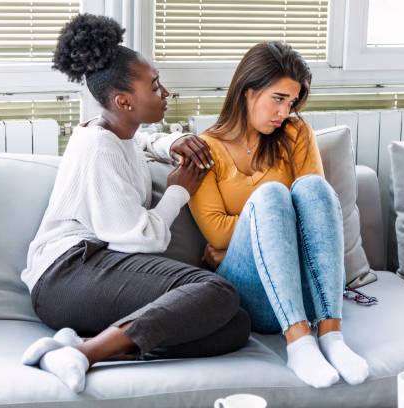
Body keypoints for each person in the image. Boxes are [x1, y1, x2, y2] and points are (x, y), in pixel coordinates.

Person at [20, 13, 250, 393]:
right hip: (65, 275)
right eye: (155, 86)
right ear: (124, 101)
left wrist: (168, 144)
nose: (165, 93)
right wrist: (179, 190)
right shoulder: (98, 149)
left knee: (234, 327)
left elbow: (139, 143)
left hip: (88, 274)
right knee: (217, 292)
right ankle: (86, 353)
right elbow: (141, 240)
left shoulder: (116, 132)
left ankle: (77, 347)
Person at [188, 42, 369, 388]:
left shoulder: (296, 133)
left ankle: (331, 336)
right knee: (272, 195)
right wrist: (269, 225)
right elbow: (216, 233)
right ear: (248, 91)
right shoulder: (206, 148)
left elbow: (316, 216)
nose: (285, 111)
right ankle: (299, 343)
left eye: (292, 102)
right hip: (250, 292)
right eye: (278, 98)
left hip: (303, 287)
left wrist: (255, 235)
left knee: (314, 190)